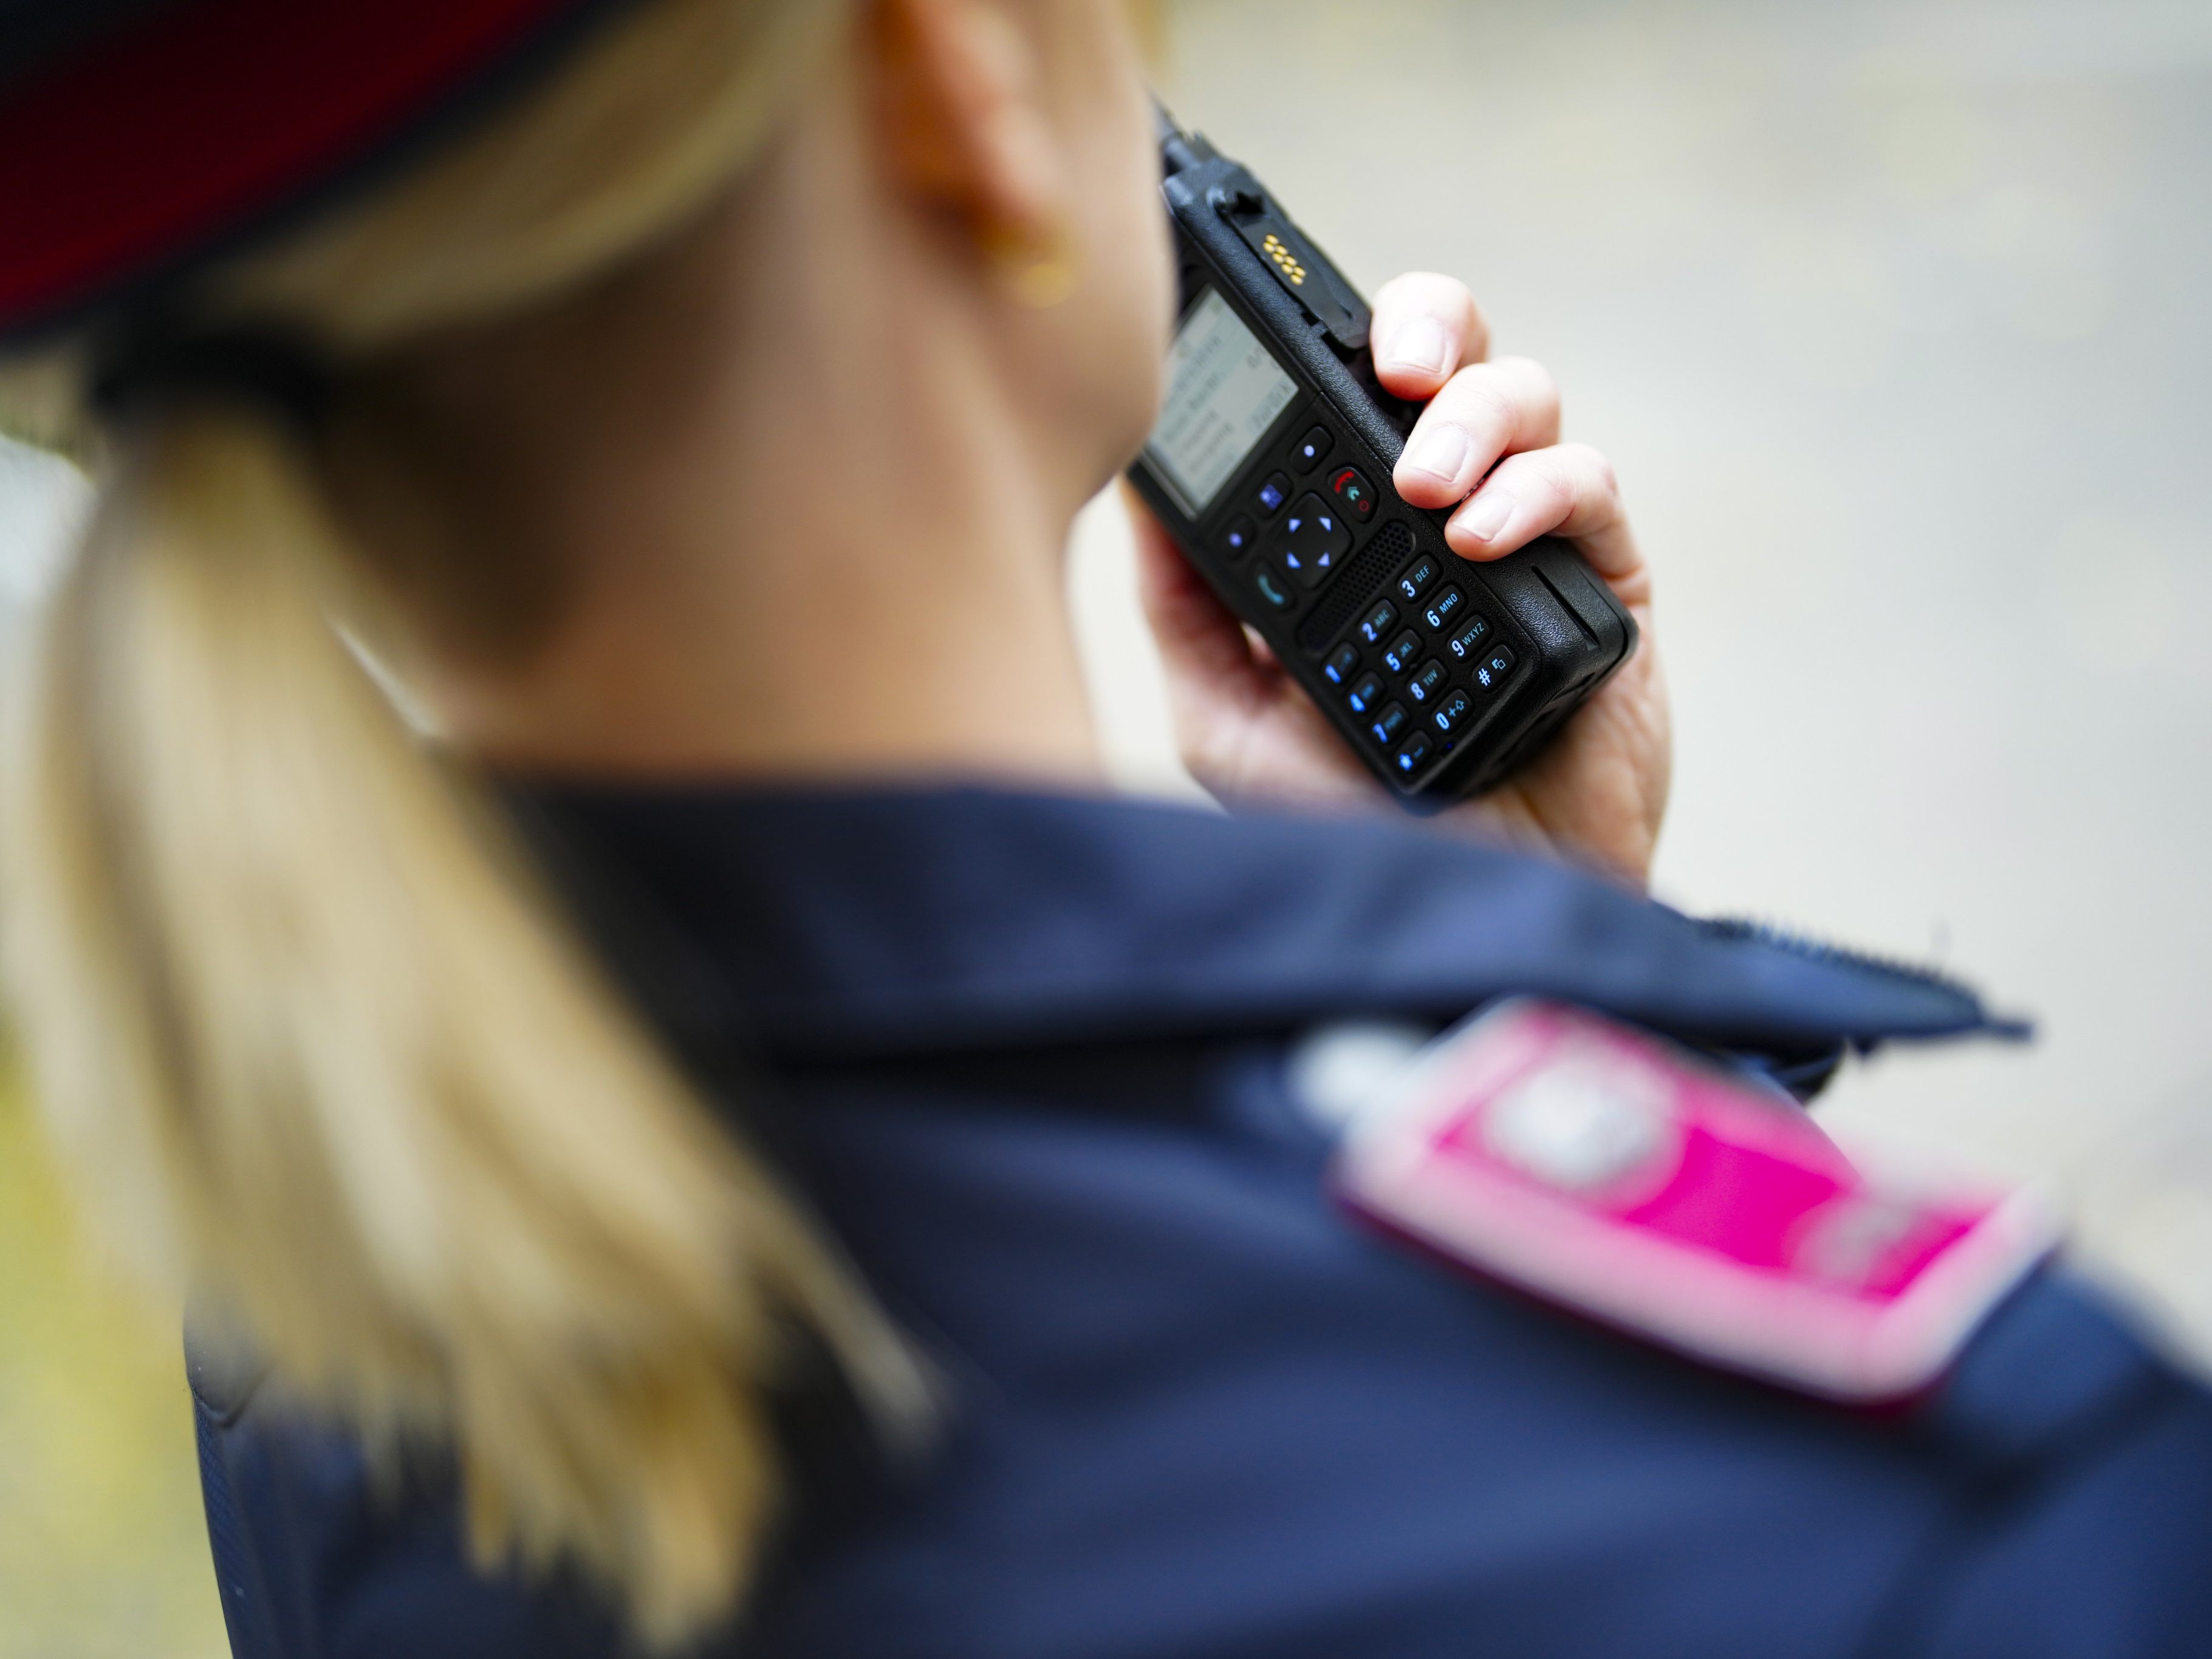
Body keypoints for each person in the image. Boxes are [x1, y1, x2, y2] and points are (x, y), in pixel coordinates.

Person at [0, 2, 2207, 1657]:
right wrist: (1567, 1048)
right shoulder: (1951, 1505)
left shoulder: (346, 1285)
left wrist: (1472, 949)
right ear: (954, 82)